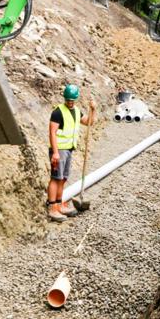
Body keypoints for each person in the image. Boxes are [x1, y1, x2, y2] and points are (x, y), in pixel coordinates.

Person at [46, 83, 95, 222]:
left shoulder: (76, 111)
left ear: (76, 99)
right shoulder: (57, 112)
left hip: (68, 149)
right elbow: (52, 132)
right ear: (64, 98)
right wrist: (55, 152)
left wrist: (93, 110)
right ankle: (52, 208)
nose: (70, 102)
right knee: (56, 178)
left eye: (72, 100)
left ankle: (59, 203)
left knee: (63, 178)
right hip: (59, 150)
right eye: (68, 100)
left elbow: (89, 122)